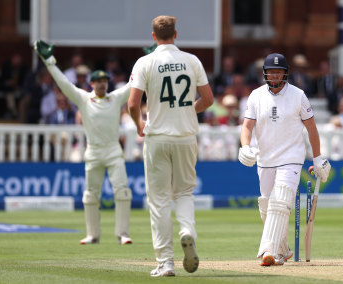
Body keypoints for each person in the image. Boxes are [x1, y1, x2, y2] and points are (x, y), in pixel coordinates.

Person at [127, 15, 214, 277]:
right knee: (185, 192)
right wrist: (189, 111)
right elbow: (208, 99)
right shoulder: (191, 60)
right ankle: (187, 231)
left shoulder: (146, 62)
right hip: (186, 136)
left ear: (153, 36)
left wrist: (139, 123)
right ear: (175, 34)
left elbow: (132, 103)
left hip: (157, 137)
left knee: (159, 200)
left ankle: (165, 261)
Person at [33, 40, 134, 245]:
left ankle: (123, 234)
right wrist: (49, 61)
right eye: (98, 81)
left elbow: (134, 83)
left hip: (114, 151)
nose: (102, 84)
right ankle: (92, 234)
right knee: (90, 196)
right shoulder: (83, 99)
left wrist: (150, 59)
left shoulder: (115, 98)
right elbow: (63, 83)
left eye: (104, 81)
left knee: (122, 193)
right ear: (92, 84)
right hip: (94, 152)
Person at [238, 53, 331, 266]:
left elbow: (311, 129)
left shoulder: (298, 95)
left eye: (279, 71)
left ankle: (268, 251)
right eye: (271, 71)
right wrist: (245, 146)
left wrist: (317, 158)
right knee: (267, 205)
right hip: (265, 158)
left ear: (286, 73)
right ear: (265, 73)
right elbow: (247, 126)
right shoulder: (256, 96)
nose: (275, 75)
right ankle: (283, 249)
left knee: (280, 202)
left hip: (291, 157)